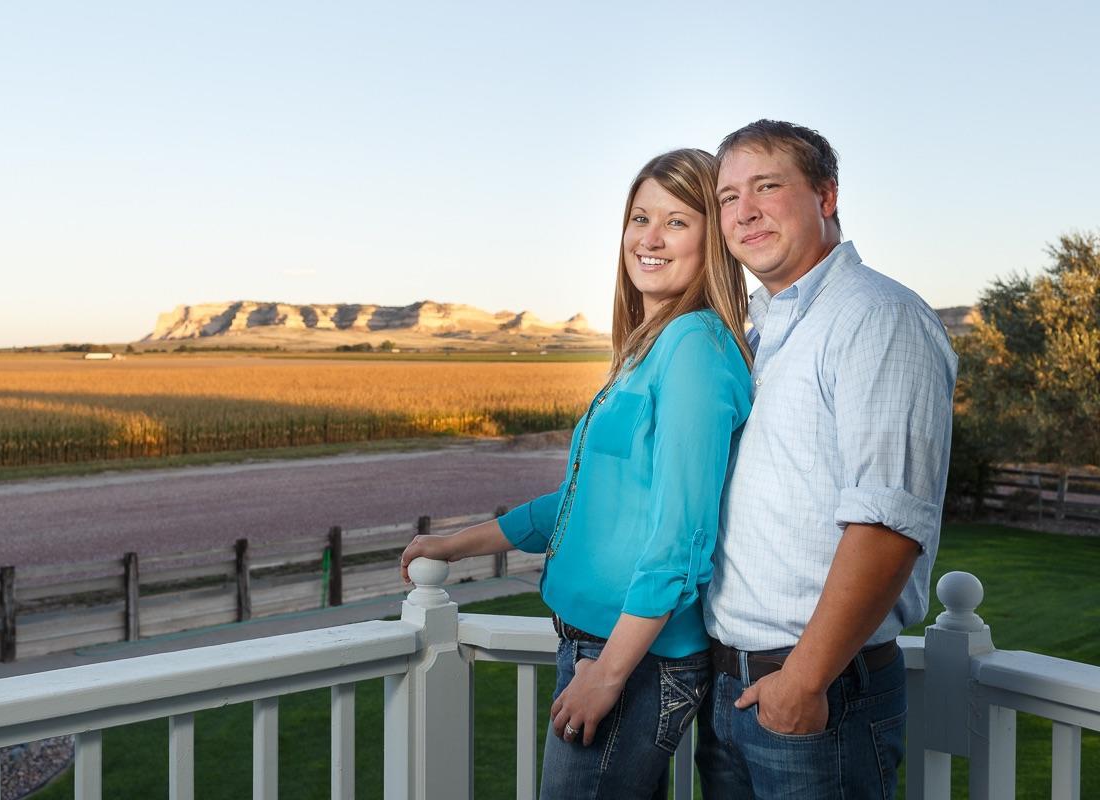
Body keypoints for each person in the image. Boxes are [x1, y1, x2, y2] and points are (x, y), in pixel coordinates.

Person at [400, 149, 752, 799]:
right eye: (639, 217)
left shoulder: (695, 353)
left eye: (677, 221)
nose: (649, 238)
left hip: (635, 656)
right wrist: (456, 544)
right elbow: (585, 499)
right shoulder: (648, 349)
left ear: (715, 239)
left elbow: (682, 538)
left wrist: (610, 672)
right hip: (598, 647)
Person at [696, 119, 957, 798]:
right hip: (732, 691)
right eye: (727, 197)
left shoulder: (877, 317)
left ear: (826, 195)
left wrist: (804, 681)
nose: (744, 211)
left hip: (817, 697)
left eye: (767, 186)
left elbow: (888, 523)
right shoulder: (761, 332)